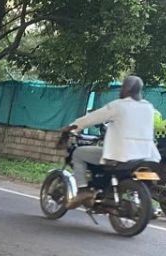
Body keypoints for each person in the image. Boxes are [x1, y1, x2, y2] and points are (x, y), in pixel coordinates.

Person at [65, 75, 160, 207]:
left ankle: (82, 190)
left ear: (126, 89)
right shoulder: (148, 107)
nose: (121, 90)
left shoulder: (119, 106)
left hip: (121, 156)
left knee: (78, 153)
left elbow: (92, 118)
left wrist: (72, 126)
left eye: (122, 88)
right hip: (146, 156)